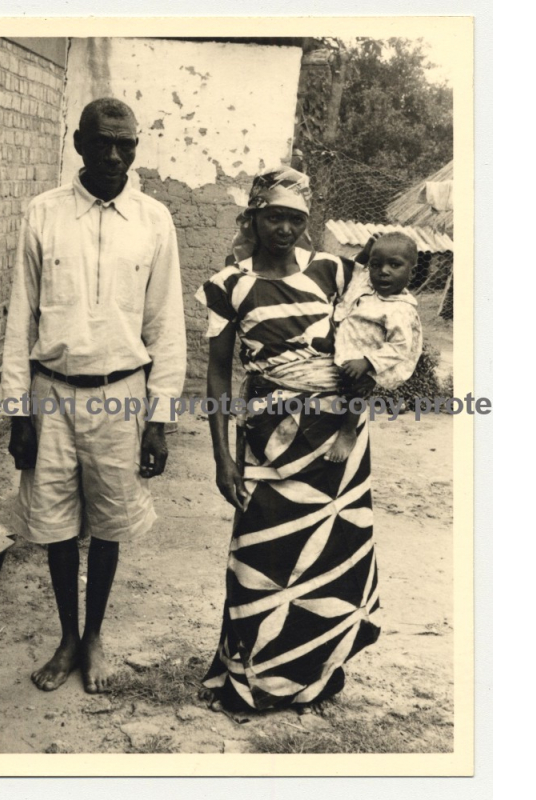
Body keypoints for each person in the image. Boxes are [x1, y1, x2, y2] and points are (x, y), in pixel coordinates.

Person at [2, 98, 186, 694]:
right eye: (102, 142)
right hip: (51, 395)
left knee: (109, 522)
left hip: (123, 397)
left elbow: (166, 325)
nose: (114, 155)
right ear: (77, 143)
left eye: (126, 144)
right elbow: (19, 318)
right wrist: (17, 412)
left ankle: (95, 636)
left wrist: (159, 417)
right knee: (55, 524)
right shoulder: (43, 213)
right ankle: (66, 637)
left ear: (137, 146)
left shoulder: (155, 220)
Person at [195, 167, 380, 713]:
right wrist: (223, 456)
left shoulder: (334, 272)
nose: (285, 229)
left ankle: (315, 675)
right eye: (274, 216)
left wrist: (353, 413)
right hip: (267, 439)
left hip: (337, 442)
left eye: (296, 220)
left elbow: (369, 338)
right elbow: (217, 374)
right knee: (263, 552)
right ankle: (252, 676)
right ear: (253, 217)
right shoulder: (229, 286)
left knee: (332, 553)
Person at [325, 232, 423, 462]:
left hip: (369, 355)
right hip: (346, 337)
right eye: (376, 265)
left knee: (357, 389)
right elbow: (356, 273)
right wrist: (366, 252)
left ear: (412, 272)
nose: (384, 271)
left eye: (395, 265)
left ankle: (348, 430)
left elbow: (400, 347)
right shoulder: (369, 285)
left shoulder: (400, 309)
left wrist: (367, 362)